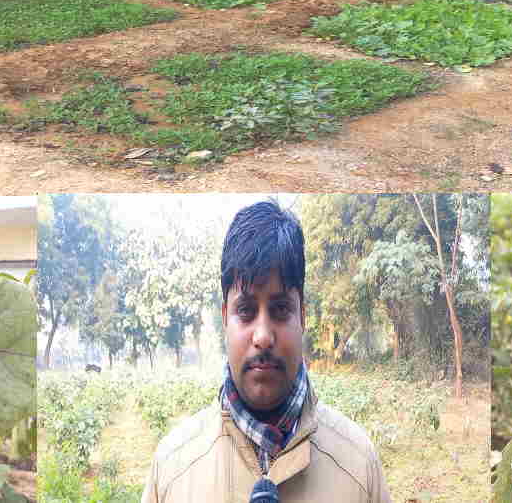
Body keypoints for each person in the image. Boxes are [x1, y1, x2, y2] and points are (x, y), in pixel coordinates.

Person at [141, 200, 392, 503]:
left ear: (303, 316)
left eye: (280, 309)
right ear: (225, 319)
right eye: (245, 311)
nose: (262, 336)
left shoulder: (358, 464)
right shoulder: (173, 468)